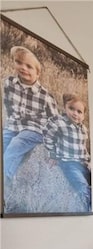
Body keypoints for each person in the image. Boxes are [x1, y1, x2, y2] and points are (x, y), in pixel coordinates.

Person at [3, 46, 59, 181]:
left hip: (36, 129)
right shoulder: (10, 83)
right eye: (19, 62)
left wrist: (54, 151)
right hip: (14, 125)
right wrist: (10, 120)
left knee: (16, 145)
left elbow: (55, 123)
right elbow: (8, 104)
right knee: (3, 142)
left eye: (29, 66)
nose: (23, 68)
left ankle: (5, 181)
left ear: (37, 73)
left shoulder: (45, 96)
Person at [42, 93, 91, 211]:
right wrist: (53, 155)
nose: (75, 113)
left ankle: (91, 201)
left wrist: (89, 162)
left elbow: (83, 147)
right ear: (65, 108)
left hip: (83, 163)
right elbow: (47, 136)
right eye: (71, 109)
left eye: (79, 112)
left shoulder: (83, 129)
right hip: (68, 162)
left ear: (84, 116)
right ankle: (86, 209)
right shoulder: (59, 122)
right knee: (81, 186)